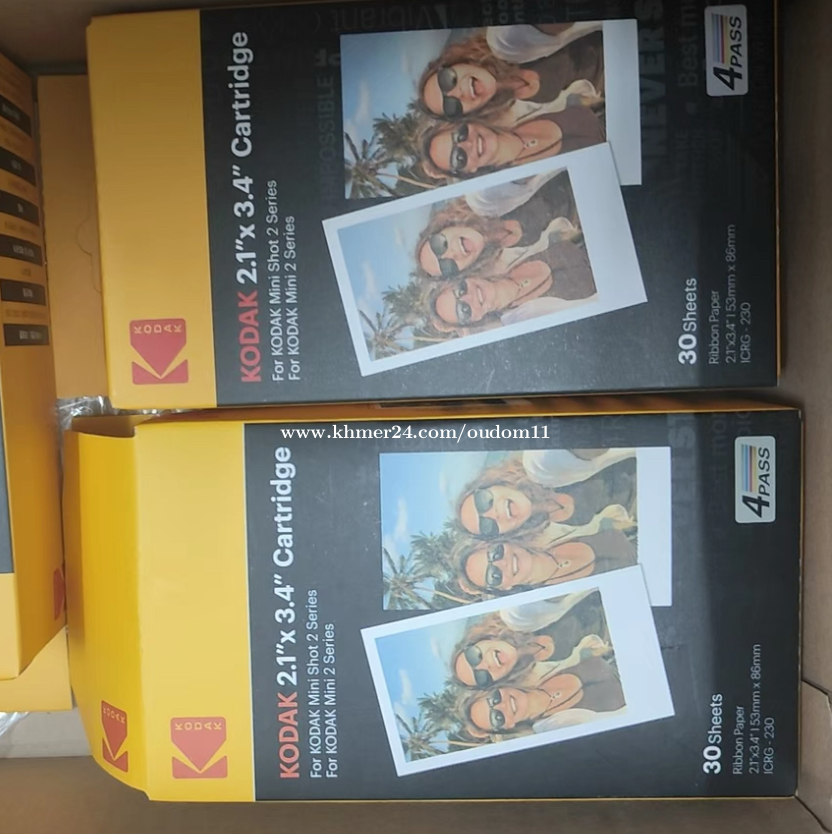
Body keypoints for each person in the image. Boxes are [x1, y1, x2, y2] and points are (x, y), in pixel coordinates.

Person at [418, 24, 605, 125]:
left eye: (447, 80)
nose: (456, 93)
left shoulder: (504, 41)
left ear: (456, 62)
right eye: (451, 106)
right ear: (467, 113)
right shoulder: (513, 107)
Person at [414, 168, 580, 280]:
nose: (450, 255)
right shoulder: (509, 263)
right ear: (463, 270)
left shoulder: (483, 196)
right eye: (447, 267)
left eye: (439, 245)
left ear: (445, 226)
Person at [424, 238, 596, 334]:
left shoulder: (510, 249)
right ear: (475, 319)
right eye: (464, 310)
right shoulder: (525, 322)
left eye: (460, 289)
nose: (469, 297)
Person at [455, 455, 637, 542]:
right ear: (503, 533)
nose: (493, 514)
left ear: (495, 483)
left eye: (483, 501)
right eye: (487, 526)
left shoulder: (542, 464)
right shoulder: (552, 537)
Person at [451, 590, 610, 688]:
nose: (485, 665)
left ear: (480, 639)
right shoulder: (544, 679)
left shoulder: (517, 612)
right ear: (497, 681)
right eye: (482, 677)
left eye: (473, 656)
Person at [459, 655, 626, 740]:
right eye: (497, 717)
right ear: (508, 726)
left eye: (494, 699)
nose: (502, 705)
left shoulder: (541, 669)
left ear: (499, 688)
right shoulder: (556, 728)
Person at [420, 109, 605, 181]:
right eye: (459, 158)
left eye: (460, 134)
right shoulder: (522, 183)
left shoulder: (524, 107)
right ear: (469, 171)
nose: (468, 144)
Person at [452, 530, 638, 599]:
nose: (503, 562)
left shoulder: (559, 529)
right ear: (505, 587)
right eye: (494, 575)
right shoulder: (557, 601)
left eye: (495, 553)